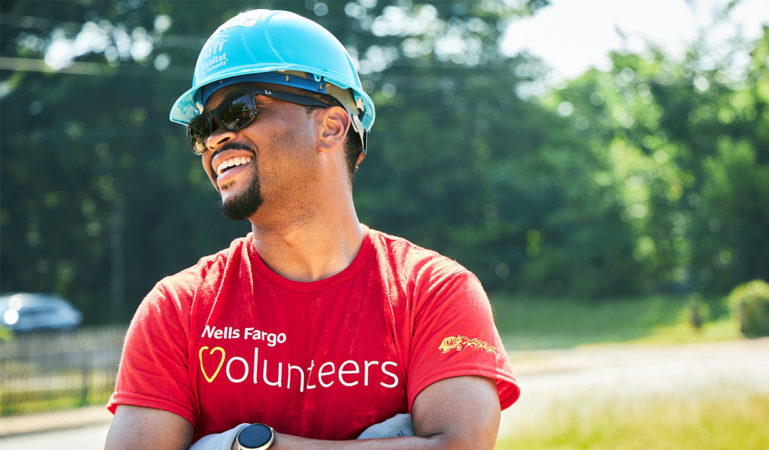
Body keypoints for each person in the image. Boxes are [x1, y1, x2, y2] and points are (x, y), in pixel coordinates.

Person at [105, 9, 519, 449]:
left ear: (331, 126)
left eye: (239, 110)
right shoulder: (178, 309)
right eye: (202, 128)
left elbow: (459, 446)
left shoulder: (434, 292)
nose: (215, 139)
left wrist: (245, 445)